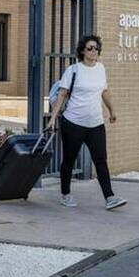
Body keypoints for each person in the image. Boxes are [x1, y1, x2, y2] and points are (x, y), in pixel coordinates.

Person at [47, 35, 127, 211]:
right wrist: (53, 118)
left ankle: (110, 197)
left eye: (96, 48)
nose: (94, 51)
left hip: (96, 124)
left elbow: (104, 91)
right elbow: (62, 94)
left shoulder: (101, 69)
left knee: (101, 160)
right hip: (73, 123)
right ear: (82, 50)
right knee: (69, 160)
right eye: (90, 48)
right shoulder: (73, 70)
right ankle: (65, 194)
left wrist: (112, 111)